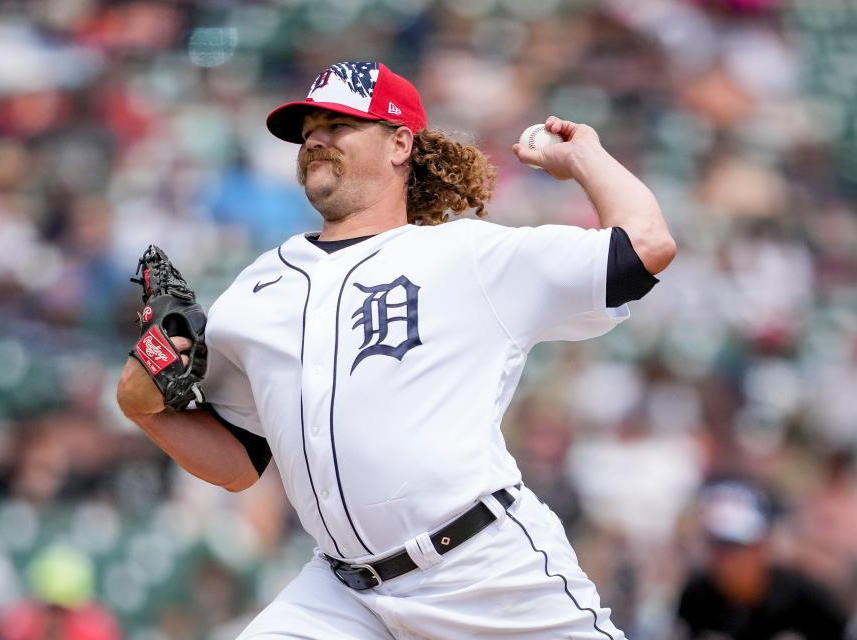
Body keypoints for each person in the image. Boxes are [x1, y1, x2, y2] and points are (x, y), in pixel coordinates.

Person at [117, 60, 675, 638]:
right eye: (309, 128)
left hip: (484, 573)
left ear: (400, 144)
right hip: (343, 593)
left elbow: (646, 245)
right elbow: (238, 464)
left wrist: (583, 156)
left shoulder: (470, 257)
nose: (316, 138)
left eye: (339, 124)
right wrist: (143, 410)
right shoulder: (255, 291)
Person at [675, 479, 850, 640]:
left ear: (761, 547)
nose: (722, 558)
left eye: (734, 547)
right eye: (715, 544)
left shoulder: (806, 599)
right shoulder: (697, 596)